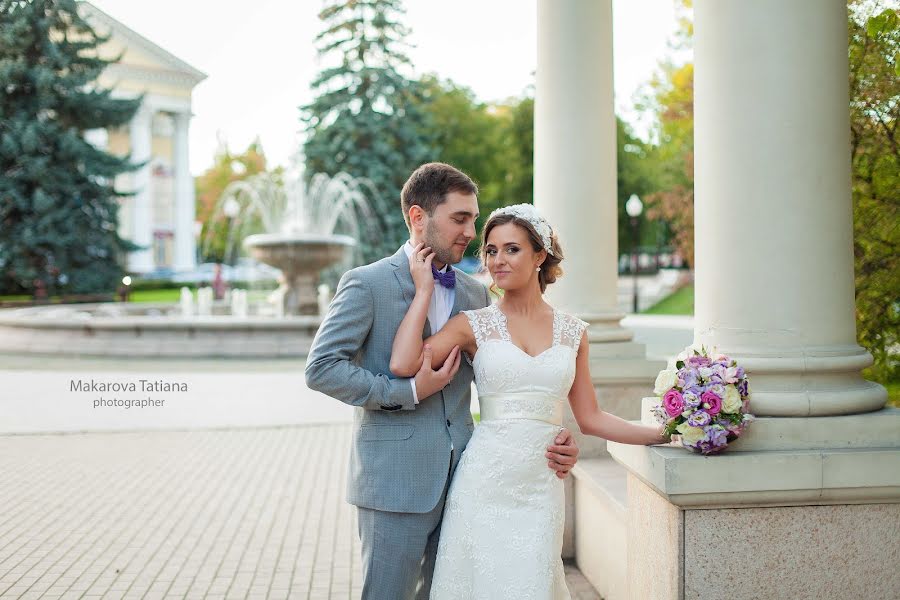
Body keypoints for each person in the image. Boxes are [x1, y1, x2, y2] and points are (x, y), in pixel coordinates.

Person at [304, 163, 580, 600]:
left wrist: (552, 435)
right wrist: (408, 392)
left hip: (469, 482)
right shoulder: (367, 283)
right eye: (460, 219)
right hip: (396, 482)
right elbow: (321, 368)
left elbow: (514, 379)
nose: (471, 231)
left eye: (473, 218)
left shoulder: (474, 294)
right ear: (418, 217)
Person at [389, 203, 670, 599]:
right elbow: (403, 363)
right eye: (490, 250)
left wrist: (664, 433)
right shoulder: (473, 324)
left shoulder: (574, 333)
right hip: (483, 481)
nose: (497, 260)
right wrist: (423, 292)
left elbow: (590, 418)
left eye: (512, 249)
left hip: (541, 483)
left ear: (540, 255)